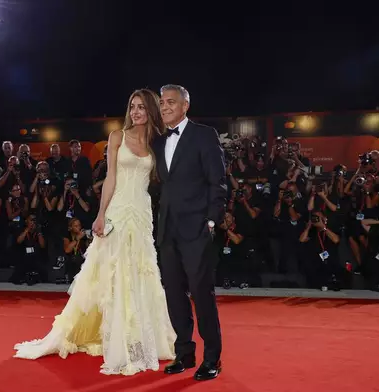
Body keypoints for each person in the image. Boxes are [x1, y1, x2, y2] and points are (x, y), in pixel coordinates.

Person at [14, 89, 176, 375]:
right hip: (118, 212)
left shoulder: (156, 143)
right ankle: (117, 339)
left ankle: (139, 337)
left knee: (141, 271)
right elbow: (110, 177)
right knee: (114, 272)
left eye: (141, 107)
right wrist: (100, 215)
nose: (136, 112)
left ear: (151, 110)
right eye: (132, 106)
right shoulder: (117, 137)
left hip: (141, 213)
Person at [154, 84, 227, 381]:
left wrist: (212, 221)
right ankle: (184, 353)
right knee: (174, 295)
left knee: (201, 293)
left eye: (171, 101)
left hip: (197, 228)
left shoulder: (204, 135)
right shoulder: (159, 142)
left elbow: (218, 180)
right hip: (167, 230)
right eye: (162, 102)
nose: (165, 106)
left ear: (185, 105)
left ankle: (213, 358)